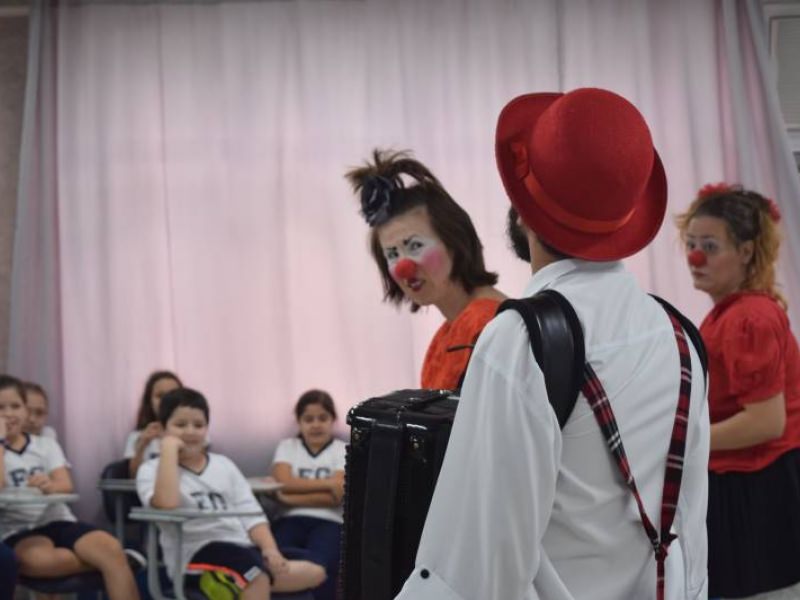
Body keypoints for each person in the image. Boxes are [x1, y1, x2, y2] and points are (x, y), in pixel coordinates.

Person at [394, 88, 710, 600]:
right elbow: (690, 529)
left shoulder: (519, 342)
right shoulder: (680, 336)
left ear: (523, 214)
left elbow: (479, 561)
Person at [677, 183, 800, 599]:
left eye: (710, 247)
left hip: (759, 490)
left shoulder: (749, 319)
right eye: (691, 244)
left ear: (746, 252)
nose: (695, 258)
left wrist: (682, 441)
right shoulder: (733, 313)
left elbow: (766, 421)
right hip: (744, 485)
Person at [136, 387, 326, 600]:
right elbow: (167, 503)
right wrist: (168, 450)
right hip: (194, 555)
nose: (190, 431)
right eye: (180, 425)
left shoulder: (224, 465)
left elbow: (252, 514)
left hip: (242, 548)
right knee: (255, 576)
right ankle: (241, 583)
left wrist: (270, 550)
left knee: (316, 569)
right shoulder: (151, 470)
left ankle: (228, 585)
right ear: (163, 429)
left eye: (198, 425)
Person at [345, 149, 506, 390]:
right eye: (392, 254)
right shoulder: (445, 337)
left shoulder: (490, 324)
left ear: (454, 241)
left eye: (415, 246)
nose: (403, 267)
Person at [0, 374, 142, 600]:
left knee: (110, 547)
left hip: (58, 520)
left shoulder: (45, 445)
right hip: (18, 530)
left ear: (25, 410)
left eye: (15, 406)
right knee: (43, 561)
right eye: (0, 408)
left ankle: (113, 558)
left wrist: (50, 485)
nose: (9, 414)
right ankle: (117, 560)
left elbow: (65, 485)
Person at [271, 389, 346, 600]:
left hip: (330, 522)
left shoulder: (342, 449)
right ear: (299, 422)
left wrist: (287, 498)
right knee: (277, 562)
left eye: (322, 418)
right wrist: (328, 483)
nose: (316, 425)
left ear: (333, 420)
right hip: (289, 519)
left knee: (323, 566)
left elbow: (336, 498)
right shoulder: (288, 447)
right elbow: (283, 483)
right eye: (308, 419)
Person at [124, 370, 183, 476]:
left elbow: (197, 472)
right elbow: (134, 477)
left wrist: (169, 438)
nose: (166, 400)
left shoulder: (194, 431)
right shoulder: (137, 436)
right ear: (149, 401)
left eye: (172, 394)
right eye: (160, 395)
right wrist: (142, 445)